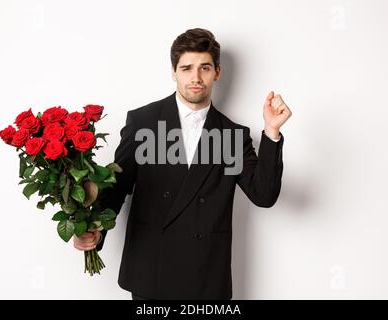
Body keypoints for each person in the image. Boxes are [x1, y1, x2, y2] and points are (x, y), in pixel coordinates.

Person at [73, 28, 292, 300]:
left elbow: (264, 195)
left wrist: (271, 133)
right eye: (187, 68)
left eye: (205, 68)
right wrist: (93, 230)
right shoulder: (144, 122)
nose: (196, 77)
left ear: (217, 72)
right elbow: (117, 187)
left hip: (206, 275)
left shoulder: (232, 135)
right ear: (174, 72)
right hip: (152, 270)